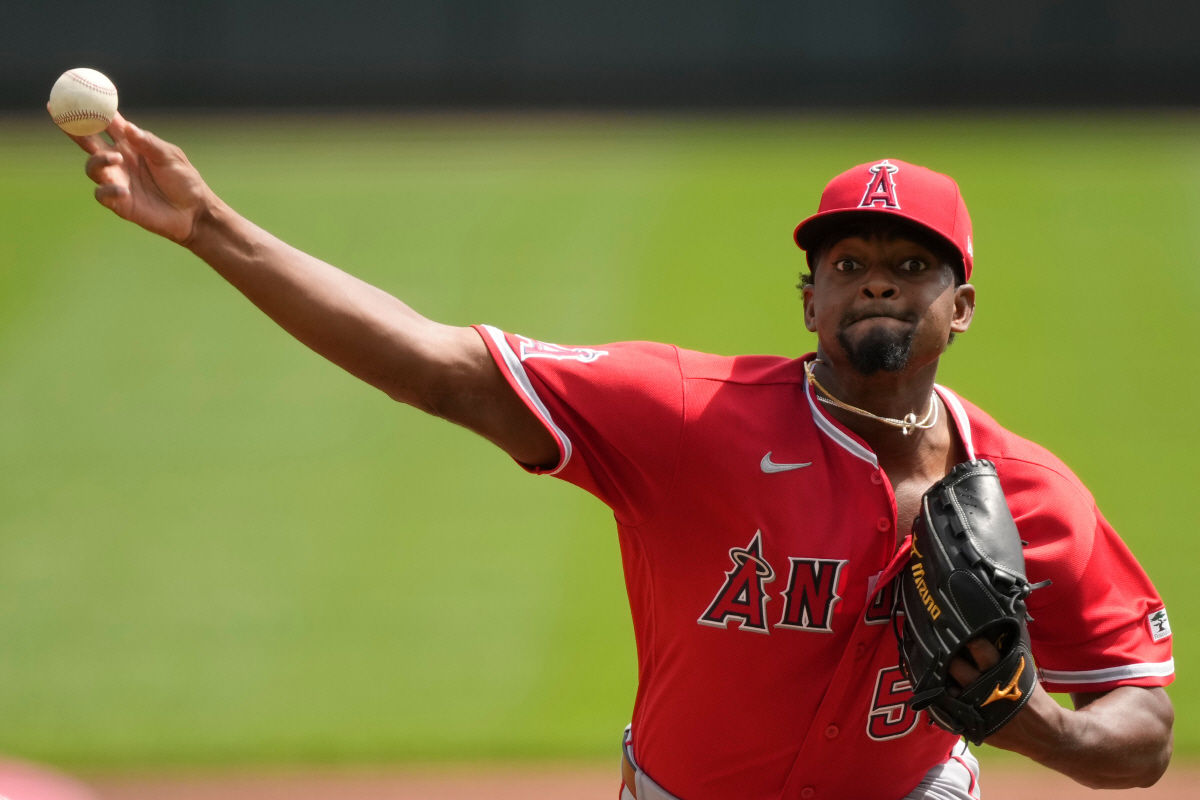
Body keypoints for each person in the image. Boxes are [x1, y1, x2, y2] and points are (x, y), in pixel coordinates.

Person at [61, 115, 1174, 800]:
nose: (875, 278)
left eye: (909, 263)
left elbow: (1143, 727)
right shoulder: (693, 414)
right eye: (847, 261)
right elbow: (438, 366)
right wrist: (214, 226)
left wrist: (1033, 721)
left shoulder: (1031, 492)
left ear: (961, 304)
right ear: (810, 297)